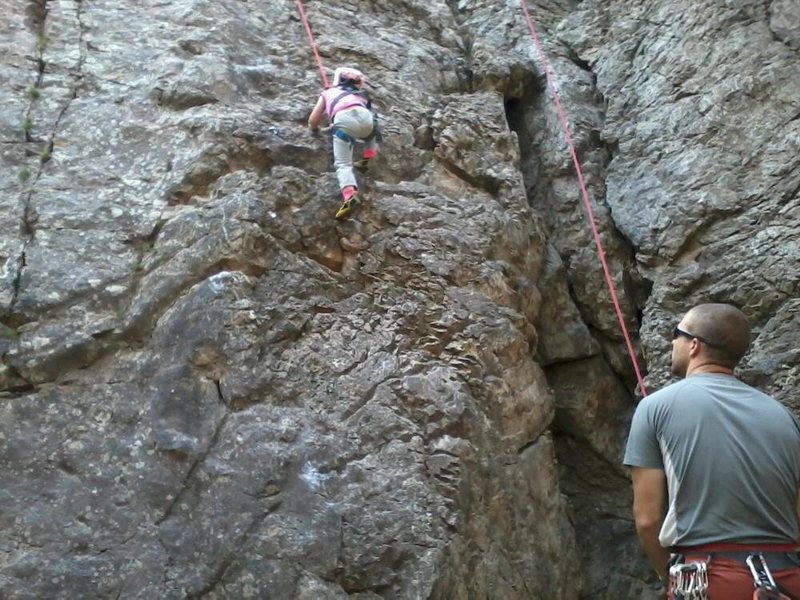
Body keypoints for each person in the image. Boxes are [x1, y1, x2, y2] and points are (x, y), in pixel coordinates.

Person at [624, 303, 800, 599]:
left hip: (708, 580)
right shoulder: (783, 416)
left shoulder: (654, 408)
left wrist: (666, 574)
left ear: (694, 345)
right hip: (786, 579)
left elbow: (647, 518)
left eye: (676, 334)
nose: (671, 341)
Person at [308, 67, 379, 219]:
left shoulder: (327, 93)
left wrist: (315, 129)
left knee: (343, 164)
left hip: (344, 122)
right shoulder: (361, 95)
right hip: (366, 119)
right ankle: (369, 155)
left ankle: (349, 195)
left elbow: (313, 119)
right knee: (372, 128)